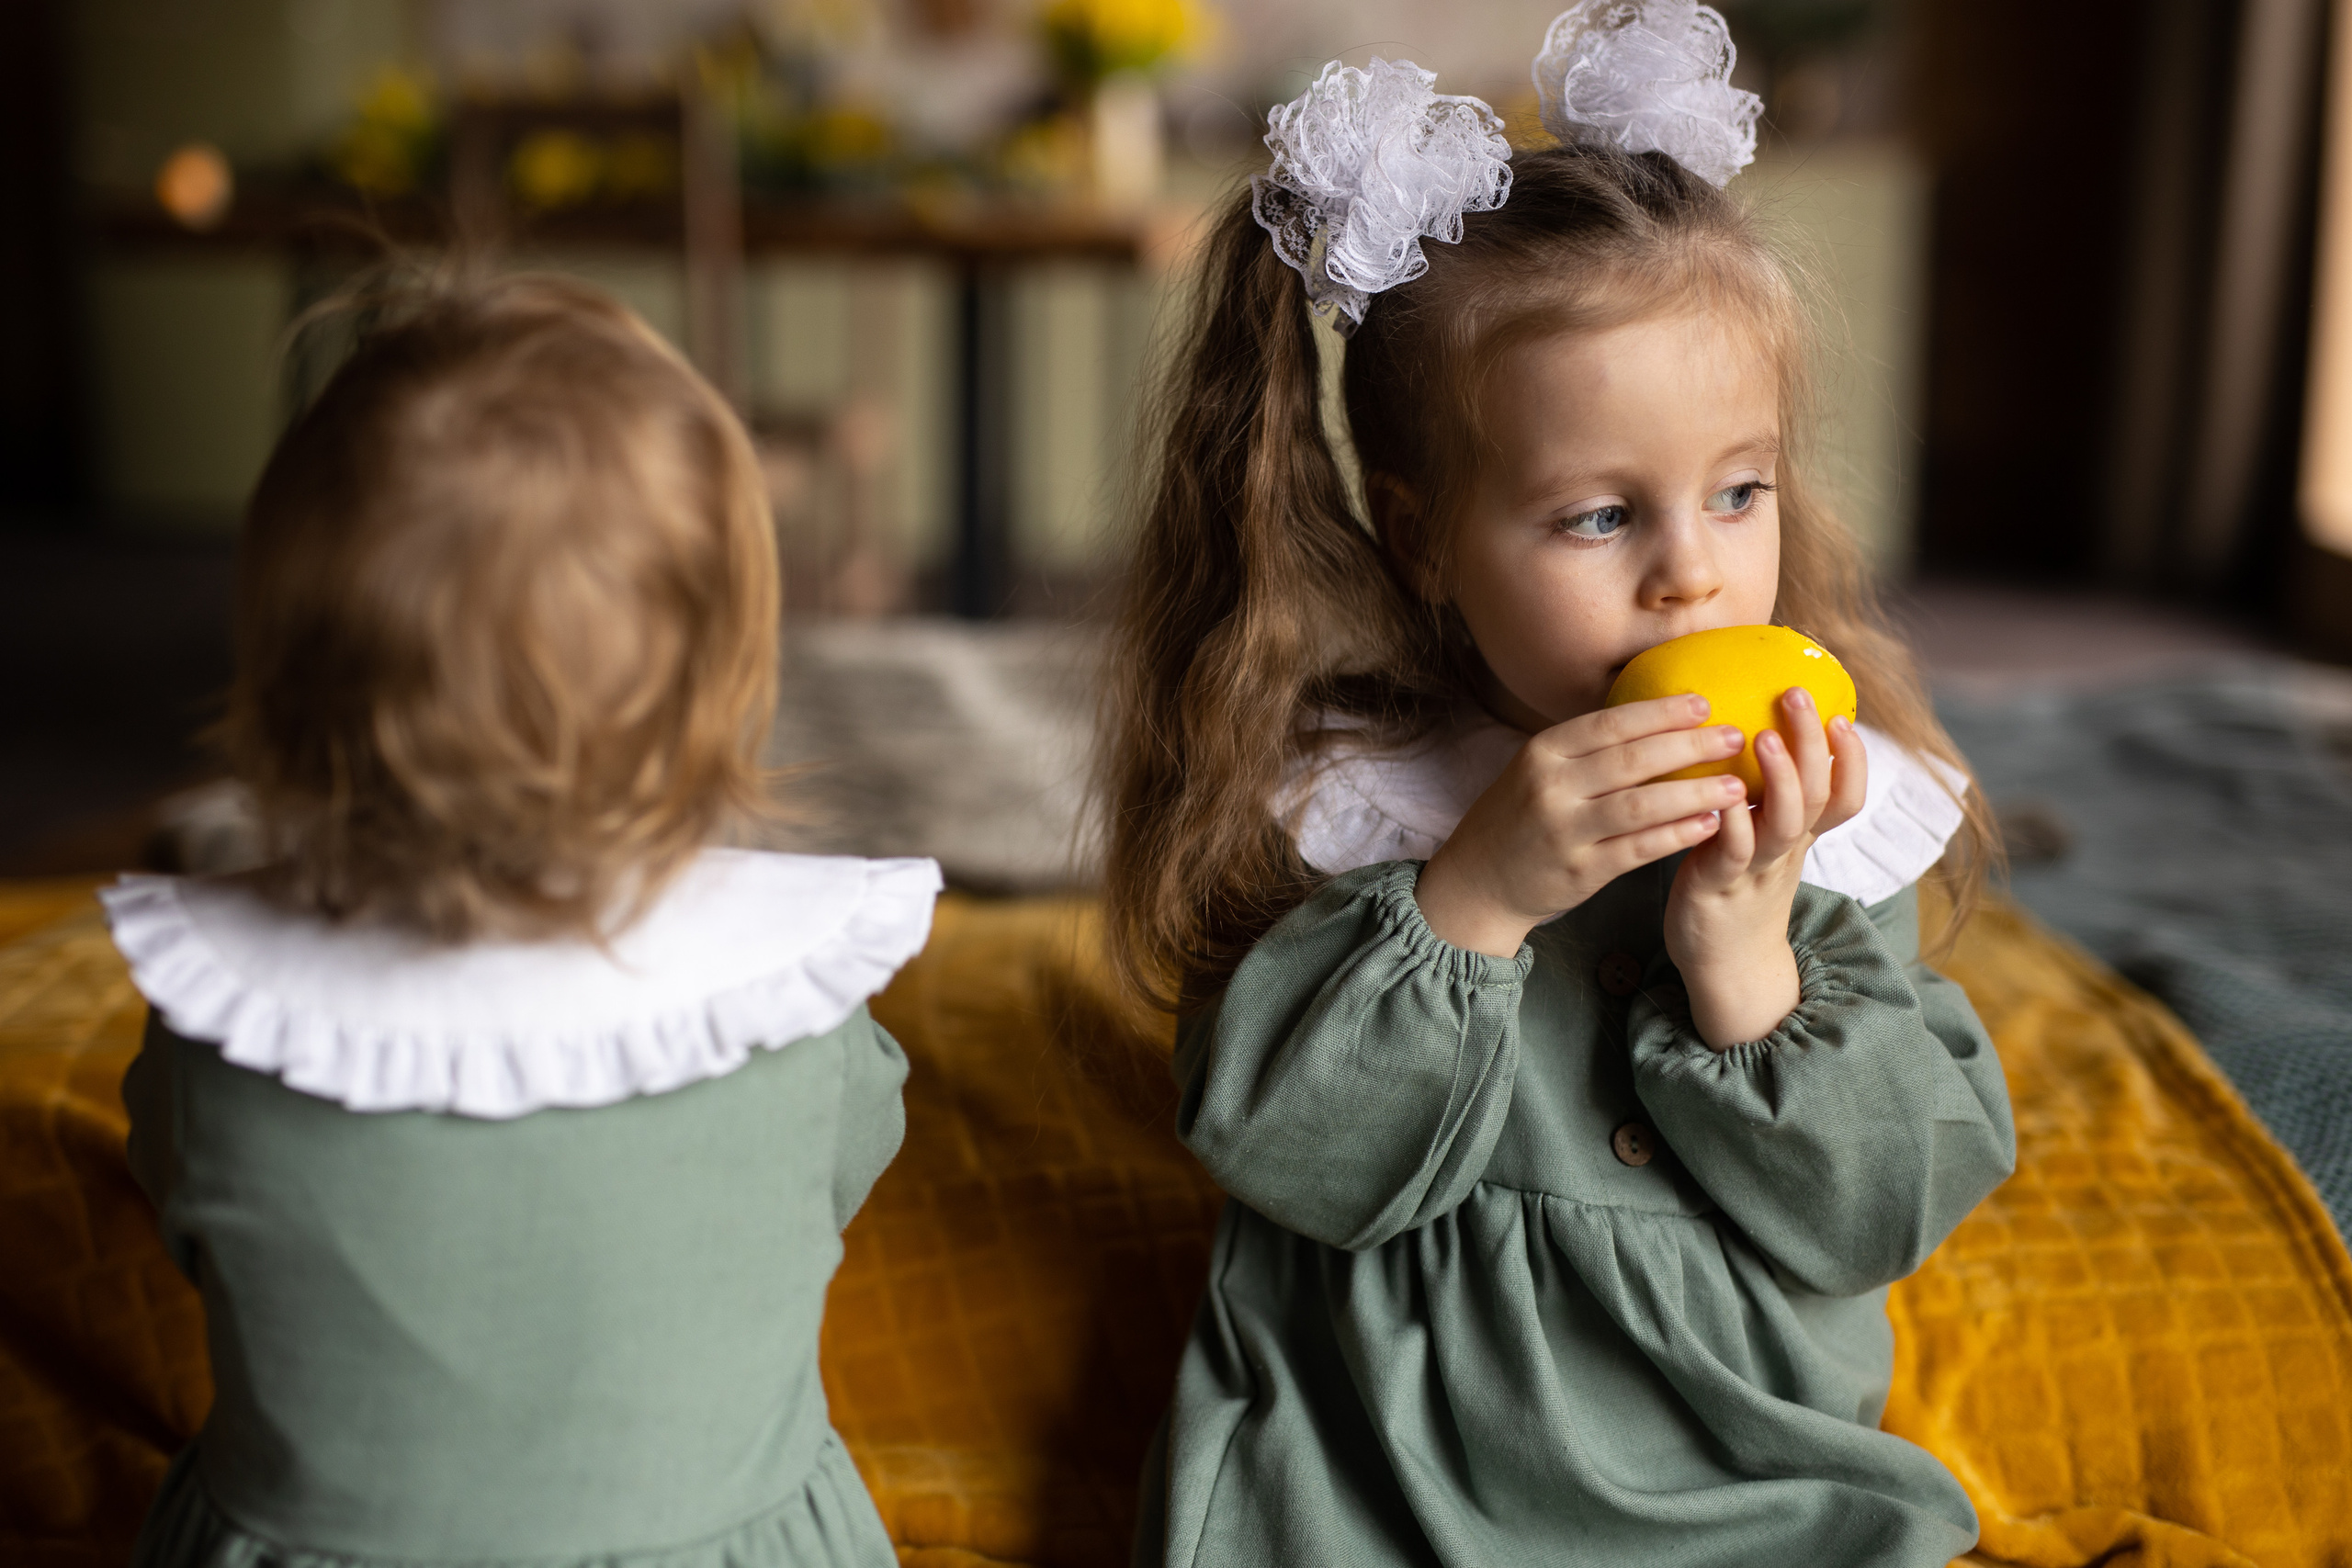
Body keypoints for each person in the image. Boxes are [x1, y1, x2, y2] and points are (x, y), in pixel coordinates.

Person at [1099, 4, 2017, 1562]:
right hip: (1371, 1487)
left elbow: (1887, 1206)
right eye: (1600, 517)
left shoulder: (1814, 820)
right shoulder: (1353, 818)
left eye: (1740, 493)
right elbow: (1290, 1157)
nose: (1694, 578)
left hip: (1756, 1497)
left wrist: (1747, 960)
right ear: (1421, 539)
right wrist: (1475, 898)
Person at [102, 273, 938, 1568]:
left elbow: (174, 1193)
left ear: (286, 688)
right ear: (724, 689)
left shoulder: (228, 1034)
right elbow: (844, 1168)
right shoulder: (787, 1010)